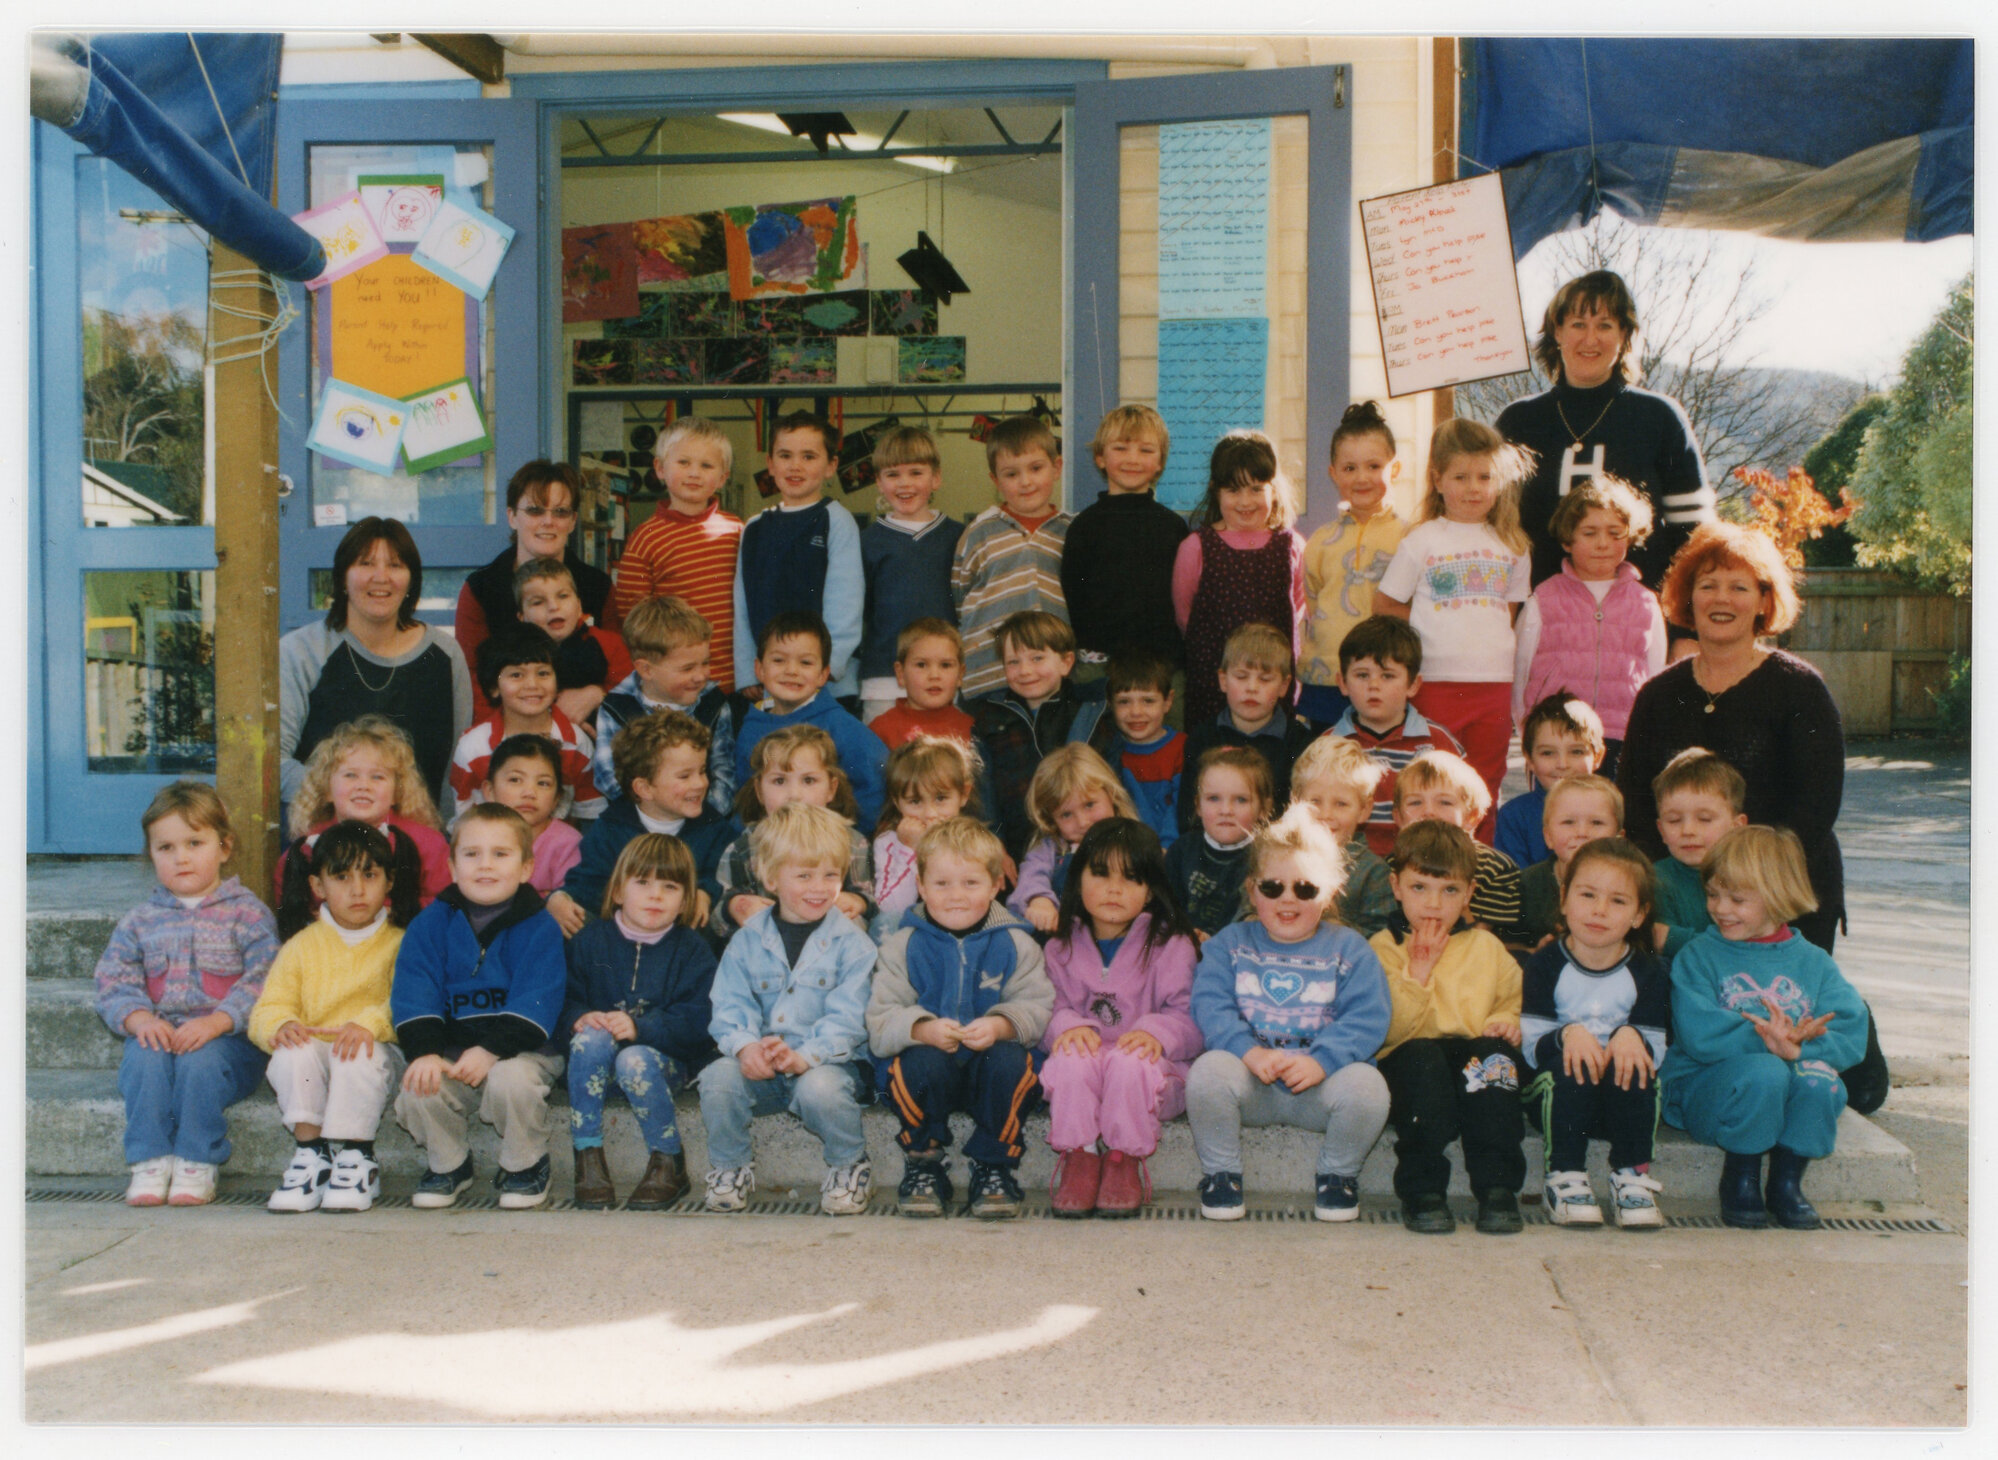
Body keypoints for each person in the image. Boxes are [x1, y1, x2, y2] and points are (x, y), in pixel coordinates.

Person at [1616, 521, 1885, 1111]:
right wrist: (1674, 874)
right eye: (1708, 585)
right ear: (1687, 597)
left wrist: (1754, 881)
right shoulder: (1658, 694)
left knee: (1848, 1084)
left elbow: (1816, 805)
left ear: (1765, 602)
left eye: (1741, 587)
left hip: (1785, 883)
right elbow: (1635, 799)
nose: (1722, 600)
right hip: (1682, 883)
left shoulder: (1798, 688)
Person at [1186, 804, 1392, 1223]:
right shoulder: (1230, 943)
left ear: (1331, 891)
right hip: (1251, 1084)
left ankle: (1338, 1174)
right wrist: (1248, 1051)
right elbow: (1210, 1005)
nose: (1287, 899)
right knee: (1208, 1072)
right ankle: (1221, 1174)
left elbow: (1368, 1016)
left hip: (1321, 1088)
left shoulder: (1350, 949)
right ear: (1251, 888)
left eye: (1305, 889)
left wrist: (1322, 1060)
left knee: (1369, 1087)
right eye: (1273, 886)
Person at [1660, 825, 1869, 1230]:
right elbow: (1699, 1033)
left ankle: (1787, 1181)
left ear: (1777, 896)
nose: (1720, 908)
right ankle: (1741, 1175)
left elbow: (1850, 1032)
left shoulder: (1814, 962)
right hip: (1708, 1092)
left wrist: (1801, 1049)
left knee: (1819, 1078)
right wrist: (1769, 1042)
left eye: (1737, 898)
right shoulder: (1699, 954)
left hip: (1782, 1093)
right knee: (1766, 1070)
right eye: (1713, 894)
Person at [94, 783, 279, 1208]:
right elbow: (112, 979)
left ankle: (198, 1159)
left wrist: (218, 1021)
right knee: (142, 1057)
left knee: (200, 1064)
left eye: (195, 843)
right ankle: (150, 1158)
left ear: (224, 846)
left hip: (227, 1043)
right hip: (162, 1032)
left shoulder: (247, 913)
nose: (181, 857)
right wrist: (138, 1018)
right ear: (151, 855)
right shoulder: (140, 920)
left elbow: (266, 979)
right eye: (166, 847)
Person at [698, 803, 880, 1216]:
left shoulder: (853, 944)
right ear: (770, 878)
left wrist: (805, 1057)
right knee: (717, 1079)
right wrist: (746, 1048)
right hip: (761, 1066)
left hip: (827, 1064)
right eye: (804, 875)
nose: (819, 887)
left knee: (822, 1089)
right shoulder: (746, 941)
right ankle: (731, 1167)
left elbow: (851, 1019)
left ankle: (848, 1164)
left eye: (831, 875)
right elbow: (729, 1004)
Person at [869, 816, 1054, 1220]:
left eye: (970, 883)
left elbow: (1037, 1008)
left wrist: (1000, 1025)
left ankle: (993, 1165)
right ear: (920, 886)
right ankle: (923, 1161)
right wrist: (922, 1029)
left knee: (1013, 1062)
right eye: (941, 884)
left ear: (995, 885)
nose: (956, 896)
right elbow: (881, 1022)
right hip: (931, 1073)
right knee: (914, 1063)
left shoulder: (1017, 943)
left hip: (988, 1072)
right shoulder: (902, 945)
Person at [392, 803, 567, 1211]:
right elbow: (414, 992)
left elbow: (538, 997)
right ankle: (449, 1164)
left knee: (511, 1080)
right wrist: (425, 1053)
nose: (485, 866)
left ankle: (526, 1164)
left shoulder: (539, 926)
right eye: (472, 854)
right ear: (452, 867)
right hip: (453, 1054)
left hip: (525, 1052)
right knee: (419, 1085)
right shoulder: (429, 924)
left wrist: (490, 1050)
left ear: (526, 868)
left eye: (500, 854)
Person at [1494, 269, 1716, 588]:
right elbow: (1490, 527)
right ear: (1557, 332)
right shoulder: (1518, 422)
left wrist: (1682, 631)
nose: (1590, 339)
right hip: (1536, 617)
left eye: (1605, 325)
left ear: (1625, 335)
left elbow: (1694, 537)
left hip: (1638, 619)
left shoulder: (1660, 417)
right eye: (1578, 324)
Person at [1375, 419, 1535, 837]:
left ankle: (1479, 869)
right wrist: (1429, 632)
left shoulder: (1514, 544)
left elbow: (1510, 613)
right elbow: (1386, 603)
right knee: (1430, 783)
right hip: (1435, 684)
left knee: (1485, 782)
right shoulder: (1422, 539)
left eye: (1485, 477)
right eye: (1461, 476)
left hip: (1493, 684)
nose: (1473, 487)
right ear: (1437, 480)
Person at [253, 820, 421, 1214]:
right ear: (317, 886)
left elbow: (409, 1001)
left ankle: (357, 1157)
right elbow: (268, 1006)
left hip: (376, 1057)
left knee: (356, 1050)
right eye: (341, 877)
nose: (357, 889)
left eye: (370, 875)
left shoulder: (402, 941)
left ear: (389, 881)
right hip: (319, 1058)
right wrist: (281, 1026)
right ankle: (312, 1154)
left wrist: (368, 1024)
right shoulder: (301, 946)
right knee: (291, 1052)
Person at [1040, 818, 1203, 1218]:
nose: (1114, 889)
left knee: (1131, 1062)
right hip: (1091, 1069)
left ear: (1150, 891)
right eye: (1100, 874)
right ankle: (1079, 1155)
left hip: (1152, 1073)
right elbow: (1049, 1007)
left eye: (1131, 879)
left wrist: (1156, 1032)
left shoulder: (1171, 944)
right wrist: (1067, 1026)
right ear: (1078, 880)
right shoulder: (1060, 946)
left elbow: (1191, 1016)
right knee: (1071, 1059)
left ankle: (1122, 1159)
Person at [1370, 820, 1527, 1235]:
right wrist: (1417, 973)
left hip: (1470, 1054)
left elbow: (1511, 1000)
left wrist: (1506, 1022)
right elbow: (1387, 1032)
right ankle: (1424, 1191)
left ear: (1470, 893)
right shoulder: (1383, 949)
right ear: (1396, 885)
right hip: (1410, 1056)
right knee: (1422, 1062)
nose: (1434, 904)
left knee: (1495, 1060)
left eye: (1450, 890)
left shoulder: (1485, 947)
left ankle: (1497, 1188)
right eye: (1420, 887)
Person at [1520, 836, 1671, 1228]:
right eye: (1588, 895)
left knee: (1640, 1067)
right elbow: (1530, 1046)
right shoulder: (1544, 965)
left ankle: (1631, 1177)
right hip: (1559, 1098)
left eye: (1618, 901)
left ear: (1639, 915)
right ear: (1565, 898)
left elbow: (1657, 1045)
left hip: (1616, 1101)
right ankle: (1565, 1176)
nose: (1600, 910)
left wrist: (1631, 1035)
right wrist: (1567, 1033)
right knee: (1572, 1064)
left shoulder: (1649, 972)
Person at [563, 834, 720, 1212]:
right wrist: (578, 1017)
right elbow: (563, 997)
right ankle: (588, 1156)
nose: (655, 896)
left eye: (669, 887)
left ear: (685, 900)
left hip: (662, 1066)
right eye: (643, 883)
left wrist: (641, 1028)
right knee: (589, 1037)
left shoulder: (693, 949)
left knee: (633, 1058)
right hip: (592, 1069)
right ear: (618, 891)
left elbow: (699, 1023)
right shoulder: (589, 940)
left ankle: (668, 1160)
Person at [280, 516, 473, 810]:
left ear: (411, 579)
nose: (381, 577)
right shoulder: (302, 651)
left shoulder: (444, 653)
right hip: (326, 836)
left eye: (395, 565)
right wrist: (353, 804)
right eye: (366, 563)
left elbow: (454, 770)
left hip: (419, 841)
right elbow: (276, 763)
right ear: (342, 576)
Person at [1512, 474, 1667, 778]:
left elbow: (1655, 675)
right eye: (1590, 533)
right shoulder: (1544, 598)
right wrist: (1528, 734)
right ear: (1567, 540)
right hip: (1556, 741)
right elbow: (1520, 670)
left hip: (1621, 736)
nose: (1603, 544)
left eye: (1614, 533)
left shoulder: (1645, 602)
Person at [456, 461, 618, 722]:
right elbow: (472, 679)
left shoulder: (597, 586)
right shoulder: (481, 589)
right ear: (511, 516)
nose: (548, 521)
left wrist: (597, 692)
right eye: (534, 510)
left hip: (586, 732)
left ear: (573, 520)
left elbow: (621, 667)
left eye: (561, 512)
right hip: (507, 733)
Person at [552, 711, 731, 937]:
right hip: (620, 938)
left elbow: (722, 875)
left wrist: (706, 891)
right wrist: (559, 899)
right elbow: (589, 884)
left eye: (703, 771)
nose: (700, 783)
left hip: (682, 944)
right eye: (685, 776)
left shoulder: (714, 827)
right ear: (644, 788)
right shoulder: (611, 828)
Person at [1172, 429, 1306, 729]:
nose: (1246, 501)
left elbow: (1298, 610)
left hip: (1273, 691)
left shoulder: (1291, 545)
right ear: (1215, 490)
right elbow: (1185, 618)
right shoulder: (1195, 547)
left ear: (1273, 489)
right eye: (1234, 490)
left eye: (1256, 489)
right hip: (1212, 688)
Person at [733, 412, 864, 701]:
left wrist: (827, 668)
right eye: (785, 455)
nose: (795, 466)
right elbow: (743, 605)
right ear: (770, 463)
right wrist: (745, 672)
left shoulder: (837, 521)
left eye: (809, 456)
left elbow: (846, 604)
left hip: (826, 684)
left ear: (831, 466)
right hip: (770, 681)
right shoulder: (753, 528)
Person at [969, 610, 1114, 861]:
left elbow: (1112, 781)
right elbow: (984, 789)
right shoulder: (989, 716)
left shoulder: (1092, 710)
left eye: (1037, 658)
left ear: (1066, 662)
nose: (1025, 670)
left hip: (1084, 838)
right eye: (1013, 662)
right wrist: (992, 841)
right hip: (1016, 845)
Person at [611, 417, 743, 691]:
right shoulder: (644, 540)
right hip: (675, 685)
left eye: (706, 465)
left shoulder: (739, 532)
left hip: (736, 682)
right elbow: (634, 623)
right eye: (684, 463)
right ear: (659, 468)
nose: (694, 473)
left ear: (722, 477)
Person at [1060, 404, 1189, 683]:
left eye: (1145, 450)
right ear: (1100, 457)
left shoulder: (1174, 528)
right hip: (1099, 667)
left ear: (1160, 463)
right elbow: (1074, 598)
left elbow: (1184, 601)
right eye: (1120, 448)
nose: (1133, 459)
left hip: (1163, 667)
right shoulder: (1083, 527)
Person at [712, 725, 877, 940]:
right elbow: (718, 920)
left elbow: (869, 899)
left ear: (831, 789)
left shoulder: (852, 844)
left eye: (809, 780)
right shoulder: (745, 848)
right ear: (760, 791)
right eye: (779, 781)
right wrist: (735, 907)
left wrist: (858, 902)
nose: (794, 794)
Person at [1300, 401, 1408, 726]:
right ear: (1334, 474)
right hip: (1326, 679)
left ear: (1395, 470)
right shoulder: (1319, 541)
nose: (1362, 478)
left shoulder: (1411, 539)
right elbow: (1312, 602)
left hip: (1385, 678)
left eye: (1374, 466)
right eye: (1350, 468)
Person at [952, 415, 1072, 701]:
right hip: (988, 679)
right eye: (1011, 474)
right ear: (995, 480)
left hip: (1053, 679)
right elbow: (960, 596)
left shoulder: (1072, 532)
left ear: (1056, 468)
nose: (1026, 482)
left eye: (1036, 468)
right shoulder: (979, 532)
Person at [735, 611, 889, 830]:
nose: (791, 671)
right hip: (770, 849)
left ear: (823, 675)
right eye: (779, 660)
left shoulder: (840, 725)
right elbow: (745, 798)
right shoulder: (751, 727)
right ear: (759, 669)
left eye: (805, 662)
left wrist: (846, 836)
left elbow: (877, 782)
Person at [1326, 615, 1464, 857]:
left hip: (1421, 858)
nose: (1374, 685)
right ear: (1342, 682)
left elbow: (1462, 804)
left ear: (1413, 685)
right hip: (1347, 862)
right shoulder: (1328, 745)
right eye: (1362, 675)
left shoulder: (1438, 743)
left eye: (1387, 676)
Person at [279, 716, 452, 908]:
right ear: (327, 789)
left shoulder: (427, 844)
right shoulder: (308, 846)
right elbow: (287, 898)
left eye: (377, 777)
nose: (363, 786)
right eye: (350, 775)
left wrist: (389, 916)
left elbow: (446, 900)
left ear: (397, 793)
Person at [594, 594, 736, 820]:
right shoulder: (618, 707)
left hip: (702, 819)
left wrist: (702, 820)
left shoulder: (714, 704)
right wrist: (658, 817)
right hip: (639, 824)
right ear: (647, 670)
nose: (701, 676)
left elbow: (725, 773)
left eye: (705, 663)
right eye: (687, 668)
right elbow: (608, 778)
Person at [858, 426, 964, 723]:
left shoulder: (960, 536)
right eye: (893, 475)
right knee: (884, 765)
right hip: (884, 680)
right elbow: (860, 612)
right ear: (878, 482)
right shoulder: (867, 541)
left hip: (944, 679)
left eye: (916, 472)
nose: (904, 484)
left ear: (936, 478)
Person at [448, 625, 602, 824]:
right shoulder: (473, 747)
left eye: (543, 673)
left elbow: (589, 815)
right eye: (516, 675)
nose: (532, 685)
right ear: (494, 687)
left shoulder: (576, 742)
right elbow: (465, 820)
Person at [1176, 622, 1318, 832]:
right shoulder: (1202, 738)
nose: (1251, 688)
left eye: (1265, 679)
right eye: (1241, 677)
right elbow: (1189, 813)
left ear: (1284, 686)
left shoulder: (1300, 743)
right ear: (1223, 680)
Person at [1393, 749, 1527, 948]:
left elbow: (1481, 938)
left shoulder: (1495, 868)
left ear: (1472, 817)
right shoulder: (1394, 863)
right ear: (1398, 818)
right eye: (1415, 802)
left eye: (1444, 802)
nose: (1428, 811)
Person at [1007, 744, 1136, 933]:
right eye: (1066, 815)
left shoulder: (1134, 840)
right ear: (1051, 819)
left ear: (1111, 794)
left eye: (1089, 805)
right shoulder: (1051, 848)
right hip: (1065, 942)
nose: (1083, 822)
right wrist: (1039, 900)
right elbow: (1032, 875)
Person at [873, 736, 981, 944]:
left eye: (940, 798)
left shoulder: (974, 840)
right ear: (897, 802)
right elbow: (889, 909)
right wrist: (911, 850)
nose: (929, 813)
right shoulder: (889, 842)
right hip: (911, 935)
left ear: (963, 794)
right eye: (915, 801)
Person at [504, 555, 634, 726]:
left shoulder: (611, 645)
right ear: (522, 617)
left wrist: (599, 694)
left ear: (579, 606)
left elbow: (632, 695)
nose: (553, 607)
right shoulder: (512, 656)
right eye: (537, 602)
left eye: (563, 596)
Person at [1289, 735, 1396, 939]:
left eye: (1341, 804)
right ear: (1295, 800)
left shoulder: (1373, 872)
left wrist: (1327, 927)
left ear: (1364, 809)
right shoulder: (1276, 857)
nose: (1326, 814)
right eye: (1315, 801)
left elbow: (1381, 937)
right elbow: (1246, 910)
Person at [1648, 748, 1748, 958]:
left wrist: (1674, 937)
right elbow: (1657, 942)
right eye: (1674, 820)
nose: (1688, 831)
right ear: (1661, 831)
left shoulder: (1754, 876)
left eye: (1704, 819)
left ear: (1737, 826)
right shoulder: (1655, 879)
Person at [1165, 746, 1272, 940]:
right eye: (1214, 798)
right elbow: (1165, 908)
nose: (1226, 810)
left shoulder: (1266, 858)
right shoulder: (1182, 850)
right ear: (1198, 805)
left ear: (1263, 809)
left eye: (1241, 800)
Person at [1494, 694, 1607, 872]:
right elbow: (1512, 884)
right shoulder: (1514, 817)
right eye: (1548, 753)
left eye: (1576, 752)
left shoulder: (1609, 809)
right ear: (1529, 759)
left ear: (1597, 756)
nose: (1562, 764)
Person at [1515, 774, 1625, 950]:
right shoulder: (1526, 884)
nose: (1582, 832)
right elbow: (1504, 945)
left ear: (1618, 838)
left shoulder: (1628, 885)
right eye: (1568, 822)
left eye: (1597, 822)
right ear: (1548, 837)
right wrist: (1533, 951)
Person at [482, 734, 583, 900]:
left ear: (557, 798)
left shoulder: (567, 844)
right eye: (515, 780)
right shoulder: (476, 835)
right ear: (490, 791)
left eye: (543, 783)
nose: (529, 793)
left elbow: (570, 905)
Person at [1104, 650, 1185, 848]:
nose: (1136, 712)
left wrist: (1166, 848)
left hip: (1170, 850)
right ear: (1110, 704)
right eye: (1124, 701)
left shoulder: (1183, 747)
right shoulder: (1110, 753)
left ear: (1168, 702)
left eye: (1148, 701)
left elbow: (1179, 808)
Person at [868, 619, 976, 748]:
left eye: (945, 665)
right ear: (901, 673)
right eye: (921, 665)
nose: (934, 675)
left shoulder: (970, 728)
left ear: (960, 675)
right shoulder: (881, 730)